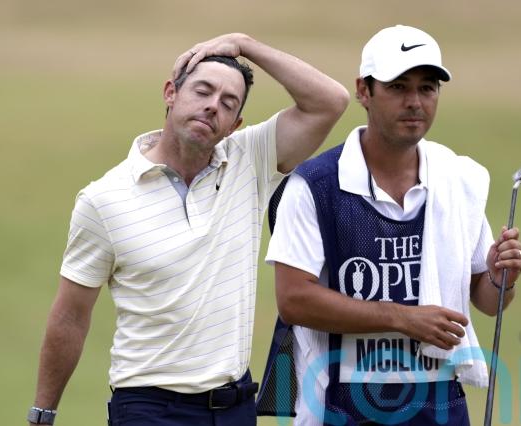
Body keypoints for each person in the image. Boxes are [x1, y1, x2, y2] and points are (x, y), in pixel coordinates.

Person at [28, 33, 349, 426]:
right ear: (170, 93)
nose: (213, 105)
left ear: (234, 125)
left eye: (228, 103)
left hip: (234, 407)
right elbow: (71, 315)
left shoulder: (251, 159)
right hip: (148, 408)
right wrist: (43, 413)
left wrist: (244, 44)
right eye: (202, 91)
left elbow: (330, 101)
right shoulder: (103, 199)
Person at [260, 25, 521, 425]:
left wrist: (499, 277)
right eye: (398, 87)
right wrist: (404, 318)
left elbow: (488, 302)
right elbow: (294, 299)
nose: (414, 102)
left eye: (427, 88)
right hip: (340, 405)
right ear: (364, 91)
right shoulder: (314, 185)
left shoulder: (457, 179)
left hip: (438, 404)